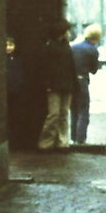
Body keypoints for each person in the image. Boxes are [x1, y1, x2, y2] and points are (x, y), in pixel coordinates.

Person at [37, 23, 77, 151]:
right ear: (62, 33)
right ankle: (57, 142)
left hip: (60, 85)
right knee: (57, 114)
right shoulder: (58, 47)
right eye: (66, 31)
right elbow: (46, 68)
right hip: (59, 85)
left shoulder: (60, 47)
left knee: (59, 114)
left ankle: (52, 142)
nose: (68, 33)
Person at [70, 24, 103, 145]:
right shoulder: (93, 50)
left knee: (73, 110)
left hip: (71, 81)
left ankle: (73, 137)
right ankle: (80, 139)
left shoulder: (74, 47)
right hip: (82, 81)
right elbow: (94, 70)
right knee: (83, 110)